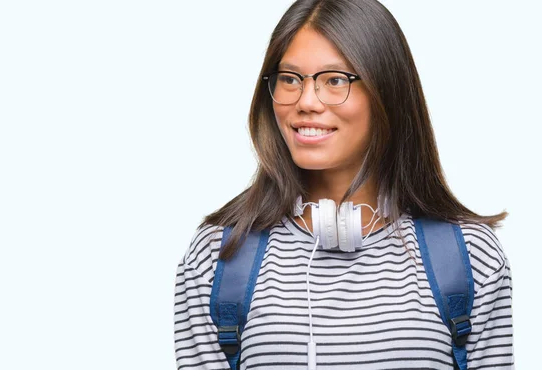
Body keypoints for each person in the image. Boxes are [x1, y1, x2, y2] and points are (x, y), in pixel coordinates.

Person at [173, 0, 514, 369]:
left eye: (335, 80)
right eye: (289, 79)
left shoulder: (472, 257)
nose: (306, 101)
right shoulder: (217, 256)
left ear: (387, 92)